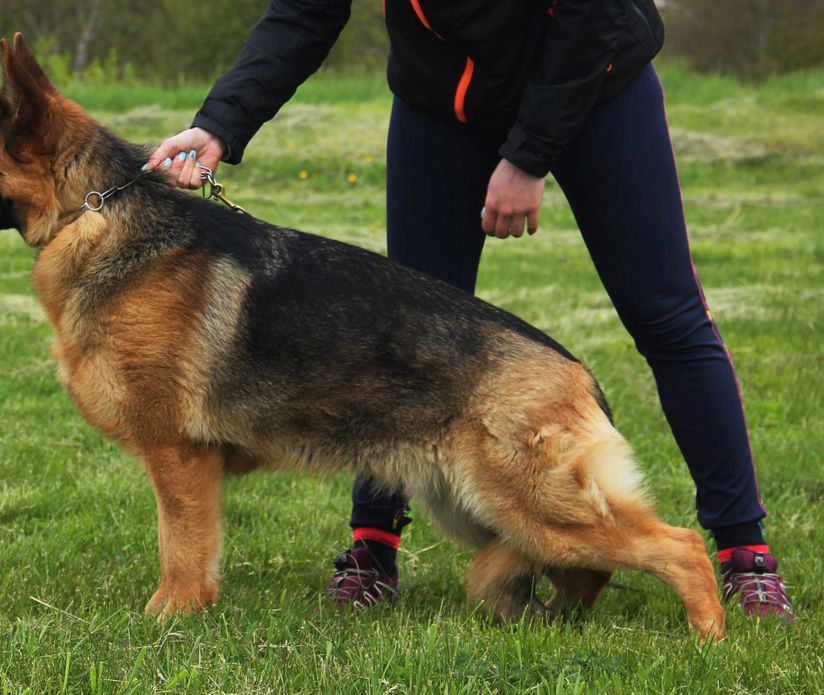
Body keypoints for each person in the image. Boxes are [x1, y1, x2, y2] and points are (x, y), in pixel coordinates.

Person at [144, 0, 794, 619]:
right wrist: (221, 122)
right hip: (442, 105)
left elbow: (588, 14)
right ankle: (373, 548)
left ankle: (745, 550)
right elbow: (306, 12)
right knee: (398, 337)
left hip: (595, 83)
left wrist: (527, 156)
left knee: (666, 315)